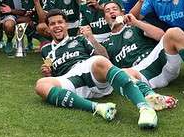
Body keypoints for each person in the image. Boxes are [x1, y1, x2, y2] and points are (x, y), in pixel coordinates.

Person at [33, 10, 162, 130]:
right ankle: (98, 107)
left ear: (66, 24)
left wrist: (92, 39)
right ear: (48, 28)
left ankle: (145, 108)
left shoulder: (79, 39)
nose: (57, 26)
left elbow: (105, 57)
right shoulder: (46, 50)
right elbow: (51, 69)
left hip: (88, 71)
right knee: (41, 84)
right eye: (52, 24)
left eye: (60, 22)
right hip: (70, 80)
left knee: (100, 61)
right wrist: (48, 72)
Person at [100, 0, 184, 103]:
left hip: (160, 62)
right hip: (141, 74)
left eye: (114, 9)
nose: (111, 11)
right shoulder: (106, 43)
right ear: (105, 18)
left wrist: (137, 23)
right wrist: (90, 38)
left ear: (122, 13)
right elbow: (105, 66)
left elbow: (161, 36)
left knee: (174, 32)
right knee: (123, 73)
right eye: (107, 10)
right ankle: (153, 96)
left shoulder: (135, 27)